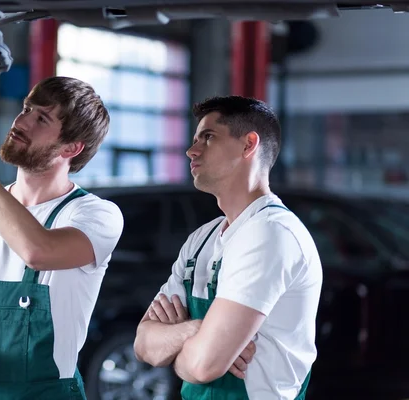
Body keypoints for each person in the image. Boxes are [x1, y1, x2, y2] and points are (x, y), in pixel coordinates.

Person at [0, 76, 124, 400]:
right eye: (27, 108)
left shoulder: (95, 215)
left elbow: (36, 250)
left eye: (41, 118)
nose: (21, 120)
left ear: (71, 148)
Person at [133, 96, 323, 399]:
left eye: (208, 138)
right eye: (196, 139)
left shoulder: (271, 233)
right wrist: (195, 330)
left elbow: (203, 366)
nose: (191, 150)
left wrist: (180, 348)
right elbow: (144, 345)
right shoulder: (201, 240)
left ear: (249, 145)